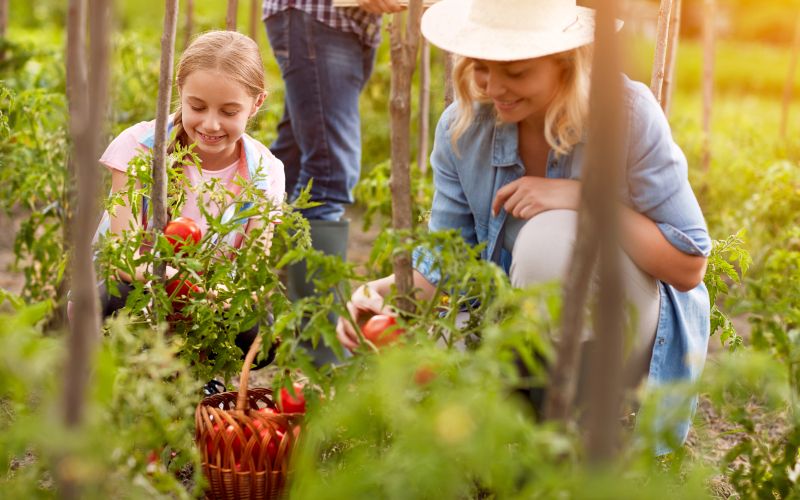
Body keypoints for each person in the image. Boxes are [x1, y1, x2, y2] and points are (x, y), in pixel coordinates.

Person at [336, 0, 711, 453]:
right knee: (427, 361)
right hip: (518, 330)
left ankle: (578, 432)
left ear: (566, 64)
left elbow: (689, 265)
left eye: (514, 71)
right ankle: (524, 423)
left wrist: (587, 201)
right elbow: (450, 258)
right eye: (481, 69)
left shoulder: (626, 114)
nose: (495, 88)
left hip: (625, 327)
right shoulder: (463, 127)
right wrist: (384, 294)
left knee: (546, 239)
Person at [92, 30, 285, 368]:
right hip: (140, 288)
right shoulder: (140, 147)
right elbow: (121, 260)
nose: (211, 124)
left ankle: (200, 373)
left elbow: (251, 273)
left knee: (257, 334)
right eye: (197, 106)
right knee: (106, 301)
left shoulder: (264, 170)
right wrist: (178, 283)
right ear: (180, 92)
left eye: (228, 112)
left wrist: (213, 294)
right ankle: (128, 371)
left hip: (208, 301)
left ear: (256, 104)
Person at [262, 0, 403, 364]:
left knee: (292, 162)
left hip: (348, 21)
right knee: (327, 173)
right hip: (318, 14)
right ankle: (320, 349)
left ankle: (263, 311)